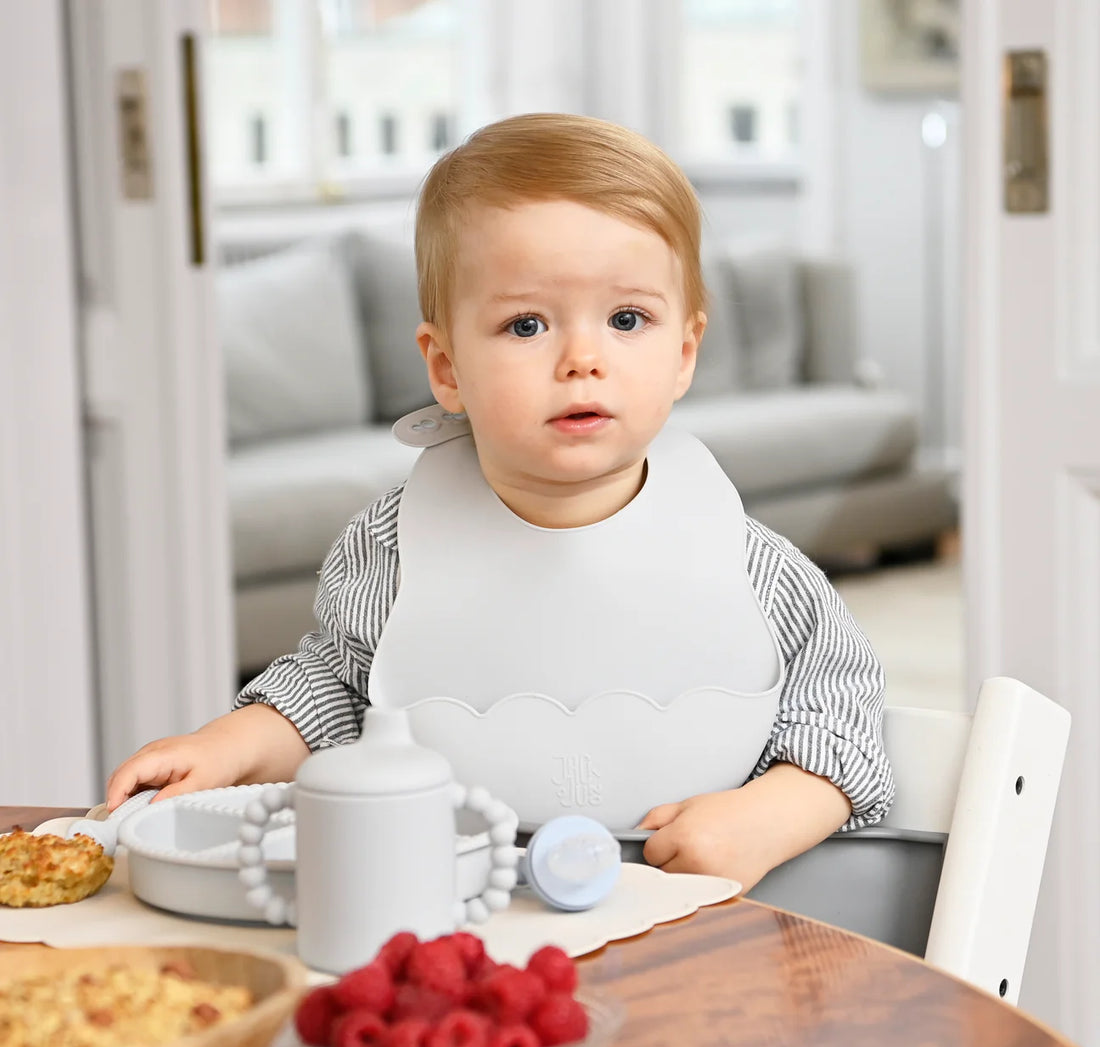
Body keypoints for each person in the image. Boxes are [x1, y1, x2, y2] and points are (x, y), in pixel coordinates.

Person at [106, 113, 894, 892]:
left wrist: (766, 818)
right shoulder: (393, 549)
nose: (582, 359)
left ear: (684, 352)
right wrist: (225, 747)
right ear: (445, 367)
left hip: (700, 913)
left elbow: (845, 713)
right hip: (457, 918)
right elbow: (337, 698)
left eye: (627, 319)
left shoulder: (745, 560)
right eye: (526, 324)